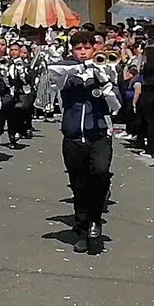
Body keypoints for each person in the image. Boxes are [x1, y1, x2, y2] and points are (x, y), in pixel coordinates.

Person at [39, 30, 121, 255]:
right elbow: (54, 80)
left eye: (86, 48)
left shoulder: (106, 70)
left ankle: (95, 219)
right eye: (78, 49)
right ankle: (82, 230)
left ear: (94, 49)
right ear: (72, 51)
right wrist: (79, 69)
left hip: (99, 135)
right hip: (73, 136)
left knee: (101, 174)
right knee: (79, 185)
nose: (83, 52)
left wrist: (104, 81)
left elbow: (116, 106)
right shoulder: (67, 73)